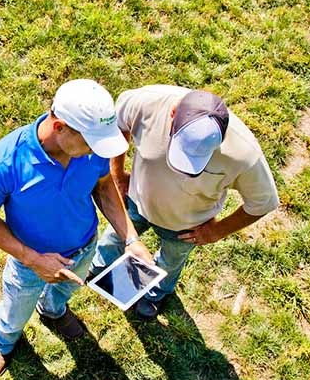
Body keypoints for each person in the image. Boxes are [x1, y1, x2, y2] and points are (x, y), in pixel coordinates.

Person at [0, 79, 153, 377]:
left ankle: (53, 312)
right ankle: (2, 341)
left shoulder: (93, 150)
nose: (97, 149)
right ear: (60, 128)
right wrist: (33, 259)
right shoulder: (2, 163)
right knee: (16, 308)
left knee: (64, 293)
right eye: (91, 141)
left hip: (84, 247)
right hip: (31, 262)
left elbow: (104, 187)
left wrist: (130, 238)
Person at [87, 85, 279, 319]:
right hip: (137, 200)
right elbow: (119, 126)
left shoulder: (245, 155)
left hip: (186, 226)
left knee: (170, 262)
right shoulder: (143, 103)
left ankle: (154, 293)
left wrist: (218, 231)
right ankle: (98, 267)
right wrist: (117, 174)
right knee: (115, 237)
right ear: (173, 112)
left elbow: (264, 202)